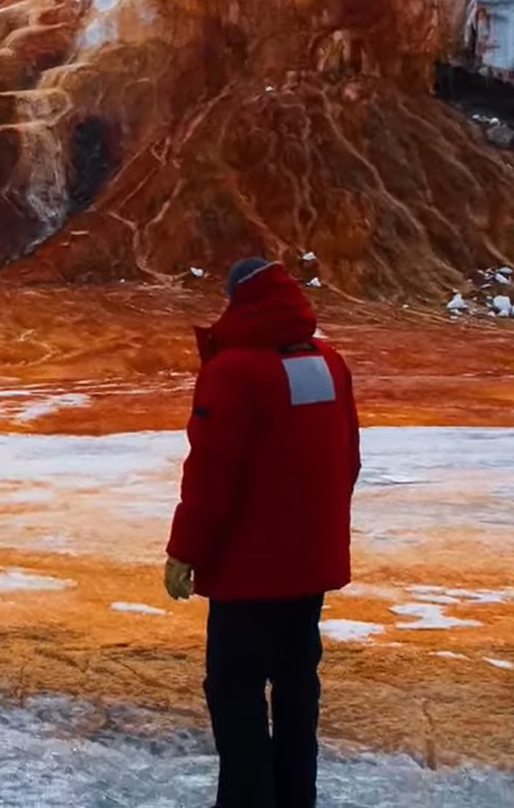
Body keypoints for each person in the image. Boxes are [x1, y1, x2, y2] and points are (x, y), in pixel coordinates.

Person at [164, 258, 361, 808]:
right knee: (298, 687)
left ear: (238, 301)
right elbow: (349, 459)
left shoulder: (234, 371)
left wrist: (184, 552)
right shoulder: (330, 362)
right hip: (310, 567)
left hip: (247, 573)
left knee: (235, 689)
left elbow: (211, 474)